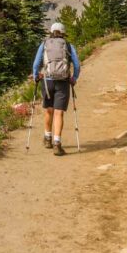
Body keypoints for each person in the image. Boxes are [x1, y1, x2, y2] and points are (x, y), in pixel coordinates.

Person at [31, 22, 81, 156]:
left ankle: (47, 138)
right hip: (63, 82)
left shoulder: (45, 44)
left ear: (51, 32)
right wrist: (74, 78)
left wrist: (36, 76)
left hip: (47, 81)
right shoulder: (68, 45)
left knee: (49, 110)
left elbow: (36, 64)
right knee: (59, 113)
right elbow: (77, 65)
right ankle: (57, 144)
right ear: (63, 33)